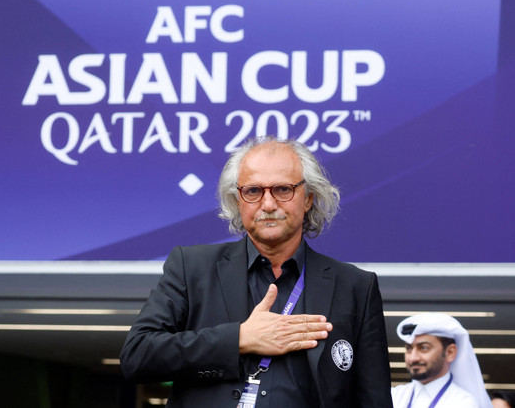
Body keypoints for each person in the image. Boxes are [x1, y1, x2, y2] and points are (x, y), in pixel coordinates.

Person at [119, 136, 393, 407]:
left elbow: (374, 398)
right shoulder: (191, 267)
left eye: (283, 189)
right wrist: (239, 339)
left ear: (308, 198)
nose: (268, 204)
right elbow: (138, 356)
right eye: (253, 191)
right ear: (238, 200)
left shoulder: (356, 286)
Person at [392, 313, 492, 408]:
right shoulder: (395, 396)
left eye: (424, 348)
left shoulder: (464, 403)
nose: (413, 358)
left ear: (450, 353)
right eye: (409, 349)